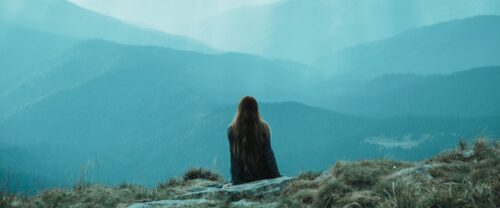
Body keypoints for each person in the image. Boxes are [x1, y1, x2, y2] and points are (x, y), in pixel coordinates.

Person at [224, 96, 281, 187]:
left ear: (240, 109)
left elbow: (234, 158)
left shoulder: (232, 130)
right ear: (256, 110)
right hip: (264, 177)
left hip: (244, 179)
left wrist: (235, 182)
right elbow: (269, 155)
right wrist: (277, 176)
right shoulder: (264, 128)